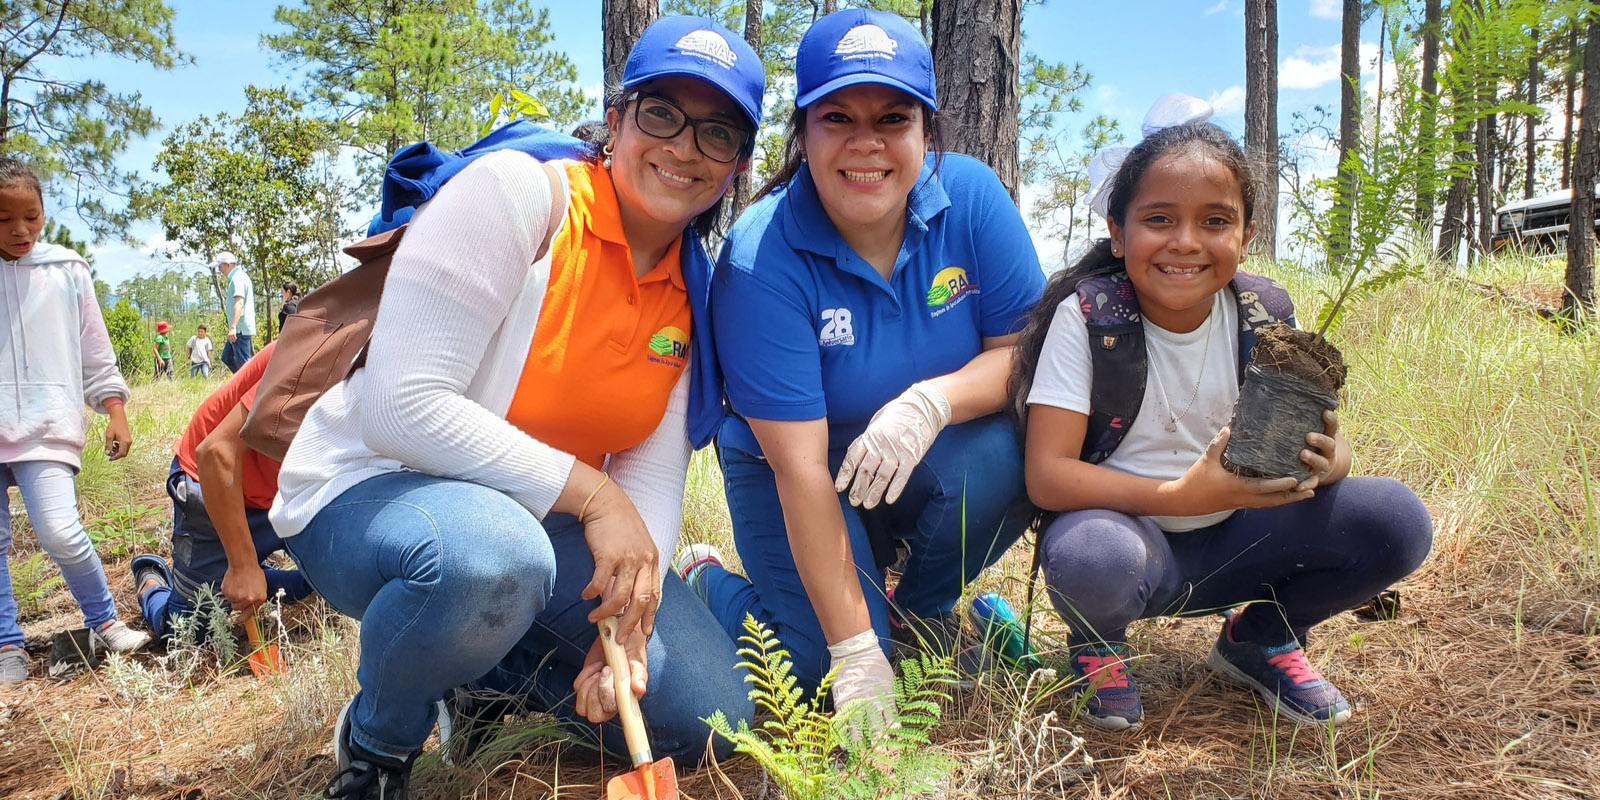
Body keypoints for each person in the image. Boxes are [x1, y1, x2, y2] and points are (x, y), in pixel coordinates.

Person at [267, 16, 765, 797]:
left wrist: (628, 629)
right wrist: (593, 495)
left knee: (706, 716)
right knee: (491, 560)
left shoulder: (690, 292)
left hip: (535, 524)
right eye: (661, 114)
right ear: (616, 120)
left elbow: (652, 477)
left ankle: (483, 674)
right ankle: (380, 741)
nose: (684, 148)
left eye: (718, 134)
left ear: (736, 166)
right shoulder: (518, 198)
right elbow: (400, 407)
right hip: (375, 494)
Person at [1011, 95, 1433, 731]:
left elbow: (1309, 442)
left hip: (1244, 536)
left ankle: (1260, 636)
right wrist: (1184, 494)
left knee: (1395, 520)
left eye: (1214, 221)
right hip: (1137, 543)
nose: (1186, 242)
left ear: (1246, 235)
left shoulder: (1263, 314)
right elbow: (1047, 475)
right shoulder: (1091, 318)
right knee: (1091, 555)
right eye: (1158, 219)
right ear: (1118, 233)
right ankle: (1099, 645)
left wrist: (1330, 458)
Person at [684, 9, 1045, 724]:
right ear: (804, 133)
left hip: (920, 456)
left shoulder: (971, 201)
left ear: (926, 132)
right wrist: (852, 649)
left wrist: (931, 403)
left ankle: (919, 609)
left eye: (892, 118)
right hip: (794, 471)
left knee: (1021, 448)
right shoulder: (763, 261)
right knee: (815, 670)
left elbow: (1023, 355)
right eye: (838, 118)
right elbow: (802, 470)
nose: (866, 144)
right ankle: (707, 582)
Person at [0, 157, 150, 685]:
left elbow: (94, 348)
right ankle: (7, 644)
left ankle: (104, 620)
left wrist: (114, 408)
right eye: (4, 219)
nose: (20, 230)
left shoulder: (65, 269)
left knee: (60, 531)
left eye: (31, 217)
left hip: (46, 425)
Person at [130, 340, 314, 641]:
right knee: (186, 632)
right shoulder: (322, 348)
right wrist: (242, 566)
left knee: (335, 582)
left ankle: (250, 575)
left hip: (288, 491)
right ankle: (151, 581)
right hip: (216, 483)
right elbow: (215, 453)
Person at [213, 252, 255, 373]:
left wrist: (233, 327)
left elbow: (239, 303)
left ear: (227, 265)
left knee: (244, 366)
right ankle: (242, 384)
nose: (220, 270)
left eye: (220, 266)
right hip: (238, 329)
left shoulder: (238, 279)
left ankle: (251, 387)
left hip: (239, 330)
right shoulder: (238, 277)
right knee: (227, 357)